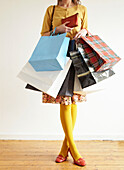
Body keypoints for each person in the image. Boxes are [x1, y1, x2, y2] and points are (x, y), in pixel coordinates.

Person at [40, 0, 88, 167]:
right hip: (59, 55)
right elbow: (43, 35)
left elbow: (87, 30)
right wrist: (56, 30)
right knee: (65, 102)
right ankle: (74, 150)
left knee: (73, 101)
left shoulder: (82, 9)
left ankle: (64, 148)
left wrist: (83, 32)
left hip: (78, 53)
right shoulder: (51, 10)